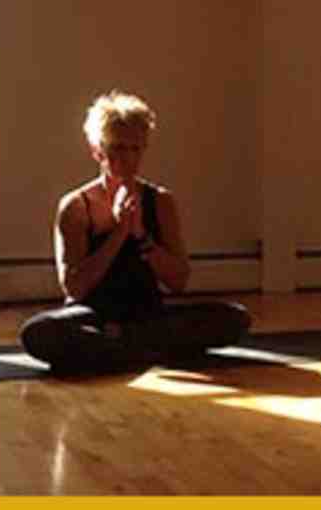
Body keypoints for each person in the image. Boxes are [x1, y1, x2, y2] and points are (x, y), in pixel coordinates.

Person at [19, 90, 251, 374]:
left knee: (234, 318)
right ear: (98, 151)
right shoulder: (76, 206)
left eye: (135, 149)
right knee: (39, 333)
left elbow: (179, 280)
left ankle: (123, 347)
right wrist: (119, 232)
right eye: (118, 148)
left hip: (147, 314)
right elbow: (74, 287)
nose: (127, 158)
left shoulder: (160, 201)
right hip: (95, 315)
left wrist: (141, 236)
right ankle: (143, 348)